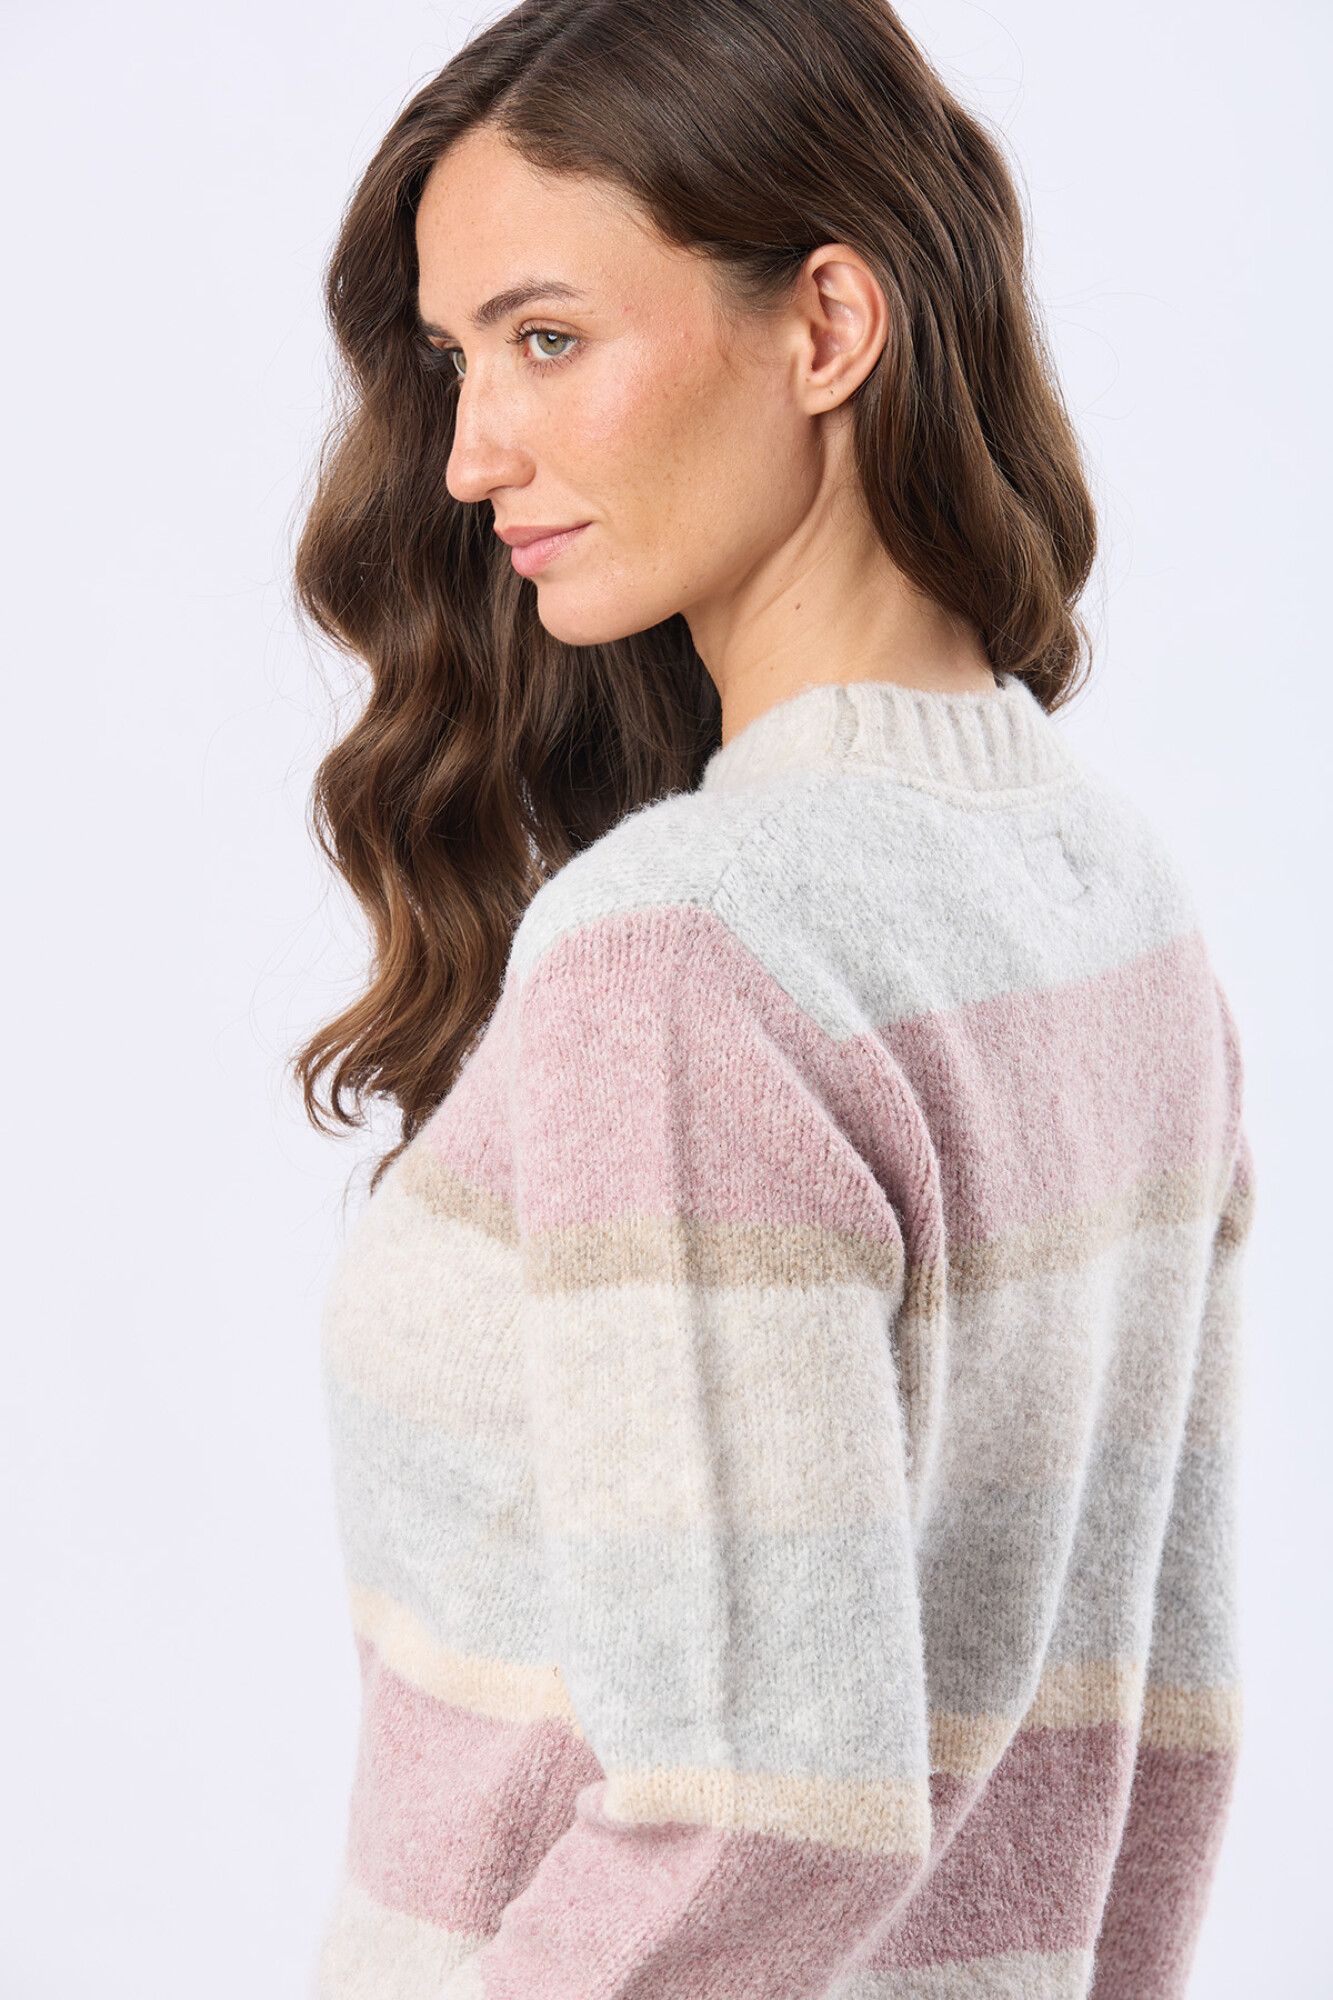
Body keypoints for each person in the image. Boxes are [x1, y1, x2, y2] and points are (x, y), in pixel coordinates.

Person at [294, 2, 1251, 1995]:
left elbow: (755, 1803)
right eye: (457, 360)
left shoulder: (687, 950)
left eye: (547, 338)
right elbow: (1152, 1744)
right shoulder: (1116, 900)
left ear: (825, 325)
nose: (469, 454)